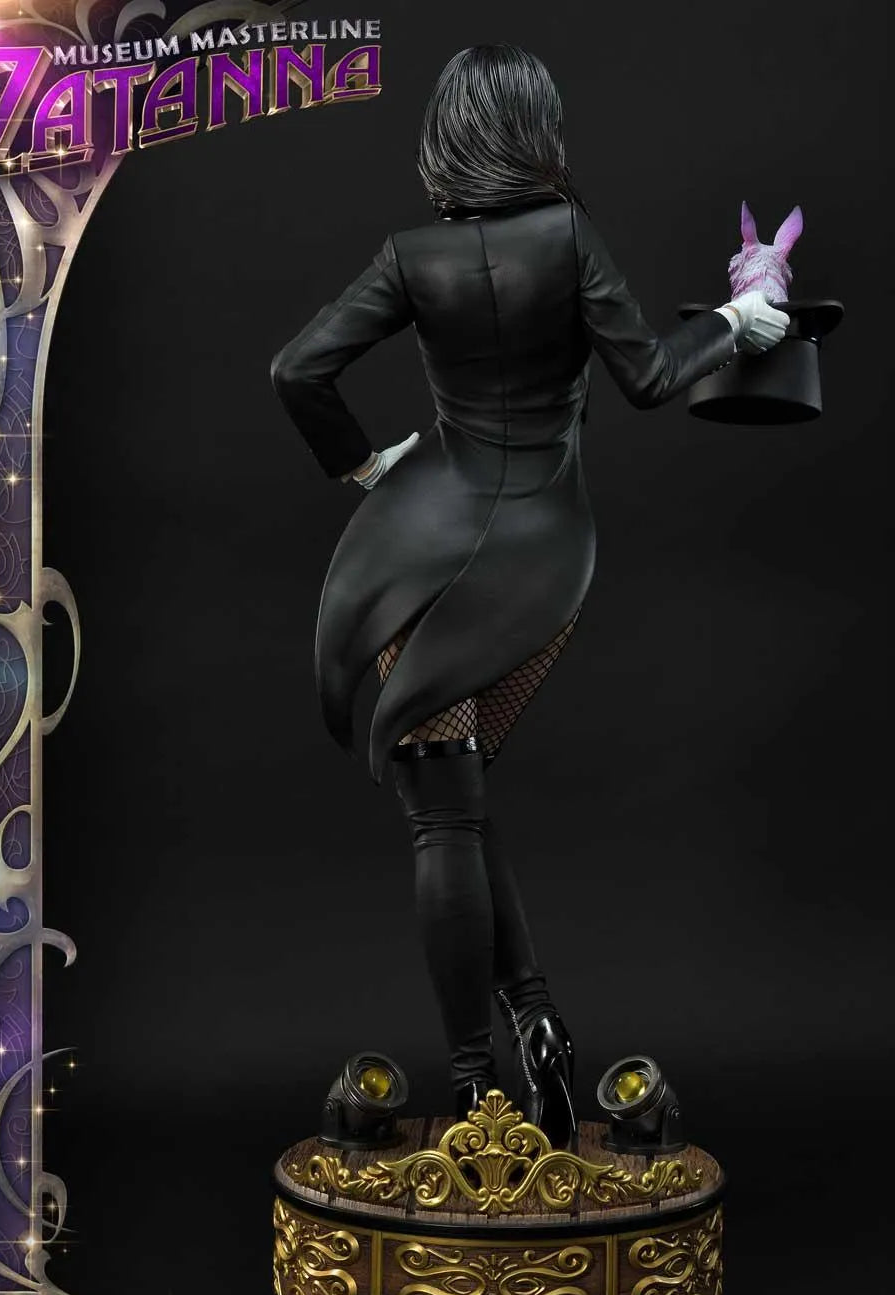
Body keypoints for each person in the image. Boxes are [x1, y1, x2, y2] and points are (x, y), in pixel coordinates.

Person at [270, 43, 788, 1146]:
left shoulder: (412, 256)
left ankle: (475, 1089)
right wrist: (738, 324)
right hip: (539, 553)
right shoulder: (568, 236)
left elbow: (296, 370)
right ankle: (537, 1026)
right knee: (452, 797)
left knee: (441, 809)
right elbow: (649, 377)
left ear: (449, 136)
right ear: (533, 131)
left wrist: (363, 464)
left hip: (421, 544)